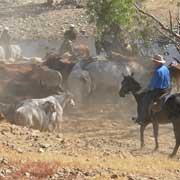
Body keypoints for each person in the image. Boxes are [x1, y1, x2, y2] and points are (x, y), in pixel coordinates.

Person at [135, 54, 171, 125]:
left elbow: (152, 85)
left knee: (144, 100)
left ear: (158, 62)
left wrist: (145, 89)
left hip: (158, 91)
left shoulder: (157, 71)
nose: (153, 63)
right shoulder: (166, 68)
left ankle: (142, 119)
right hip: (167, 89)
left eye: (154, 61)